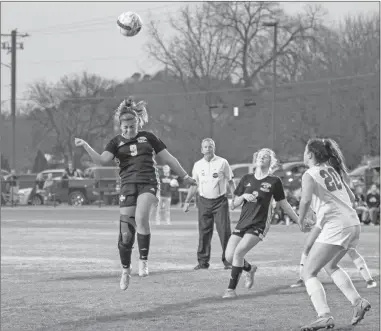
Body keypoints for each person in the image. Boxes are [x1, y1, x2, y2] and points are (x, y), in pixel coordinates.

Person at [74, 97, 196, 291]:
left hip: (148, 183)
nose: (128, 130)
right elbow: (101, 160)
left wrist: (185, 176)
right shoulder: (115, 143)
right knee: (125, 231)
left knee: (141, 217)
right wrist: (86, 146)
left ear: (138, 123)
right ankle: (125, 270)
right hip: (127, 186)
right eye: (125, 127)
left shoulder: (149, 138)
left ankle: (143, 260)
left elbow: (169, 159)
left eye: (132, 126)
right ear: (120, 126)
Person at [297, 138, 370, 331]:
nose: (303, 155)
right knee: (330, 265)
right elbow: (352, 197)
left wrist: (300, 218)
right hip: (353, 223)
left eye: (305, 151)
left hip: (337, 226)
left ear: (310, 155)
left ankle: (324, 316)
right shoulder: (332, 170)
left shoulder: (309, 174)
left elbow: (304, 201)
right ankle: (358, 302)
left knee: (308, 272)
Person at [222, 148, 300, 299]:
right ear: (255, 159)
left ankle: (230, 290)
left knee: (239, 253)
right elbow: (234, 204)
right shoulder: (246, 178)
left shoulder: (274, 181)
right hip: (243, 222)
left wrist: (298, 220)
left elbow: (284, 204)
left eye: (266, 157)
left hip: (259, 224)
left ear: (271, 162)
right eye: (260, 156)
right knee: (229, 256)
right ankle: (250, 269)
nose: (262, 158)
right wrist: (244, 195)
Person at [183, 138, 236, 270]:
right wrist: (187, 201)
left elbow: (230, 181)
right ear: (202, 149)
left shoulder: (223, 163)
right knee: (204, 232)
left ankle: (228, 261)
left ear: (214, 148)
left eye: (210, 146)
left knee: (224, 231)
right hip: (203, 202)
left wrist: (235, 198)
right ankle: (203, 262)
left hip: (220, 201)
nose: (208, 149)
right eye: (205, 147)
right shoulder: (197, 165)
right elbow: (194, 185)